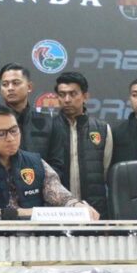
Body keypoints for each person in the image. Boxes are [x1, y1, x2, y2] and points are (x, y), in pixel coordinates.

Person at [0, 104, 98, 220]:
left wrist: (77, 206)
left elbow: (62, 197)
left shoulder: (37, 163)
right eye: (1, 134)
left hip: (35, 239)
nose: (11, 138)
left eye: (14, 130)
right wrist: (23, 213)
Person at [50, 72, 113, 217]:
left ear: (85, 96)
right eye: (62, 94)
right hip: (58, 211)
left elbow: (106, 172)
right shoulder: (49, 128)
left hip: (95, 210)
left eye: (73, 94)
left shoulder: (102, 129)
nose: (67, 100)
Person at [0, 62, 64, 178]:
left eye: (16, 83)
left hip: (42, 186)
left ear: (29, 87)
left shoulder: (49, 122)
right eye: (5, 84)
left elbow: (57, 165)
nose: (10, 88)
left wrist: (38, 183)